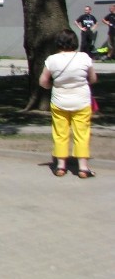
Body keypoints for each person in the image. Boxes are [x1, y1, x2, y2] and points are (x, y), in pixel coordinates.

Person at [38, 28, 98, 178]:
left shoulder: (52, 60)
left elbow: (43, 81)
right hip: (81, 101)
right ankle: (83, 168)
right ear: (75, 42)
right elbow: (93, 79)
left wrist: (52, 86)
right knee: (82, 134)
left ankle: (60, 166)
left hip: (59, 101)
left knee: (60, 134)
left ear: (58, 43)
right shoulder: (84, 58)